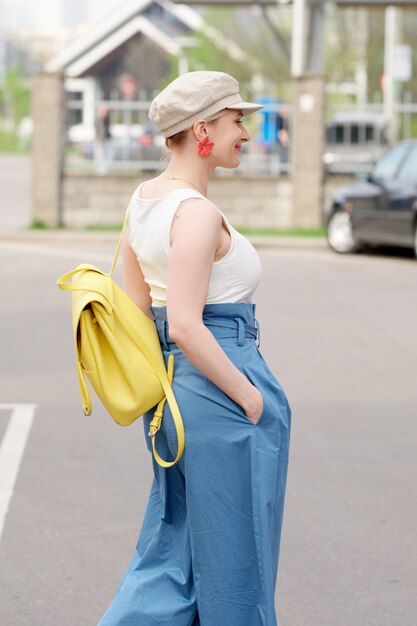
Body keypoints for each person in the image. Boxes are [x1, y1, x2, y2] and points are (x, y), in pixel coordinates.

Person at [97, 71, 291, 626]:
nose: (246, 134)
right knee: (238, 565)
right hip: (219, 387)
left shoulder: (142, 203)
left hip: (173, 394)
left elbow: (142, 313)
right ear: (203, 128)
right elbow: (184, 323)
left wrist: (170, 391)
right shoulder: (197, 212)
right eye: (237, 121)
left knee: (173, 553)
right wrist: (249, 397)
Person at [95, 106, 112, 175]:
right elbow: (97, 130)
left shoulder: (107, 119)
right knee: (100, 155)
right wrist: (98, 138)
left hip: (107, 138)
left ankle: (105, 170)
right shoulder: (98, 119)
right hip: (100, 139)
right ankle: (100, 171)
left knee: (107, 155)